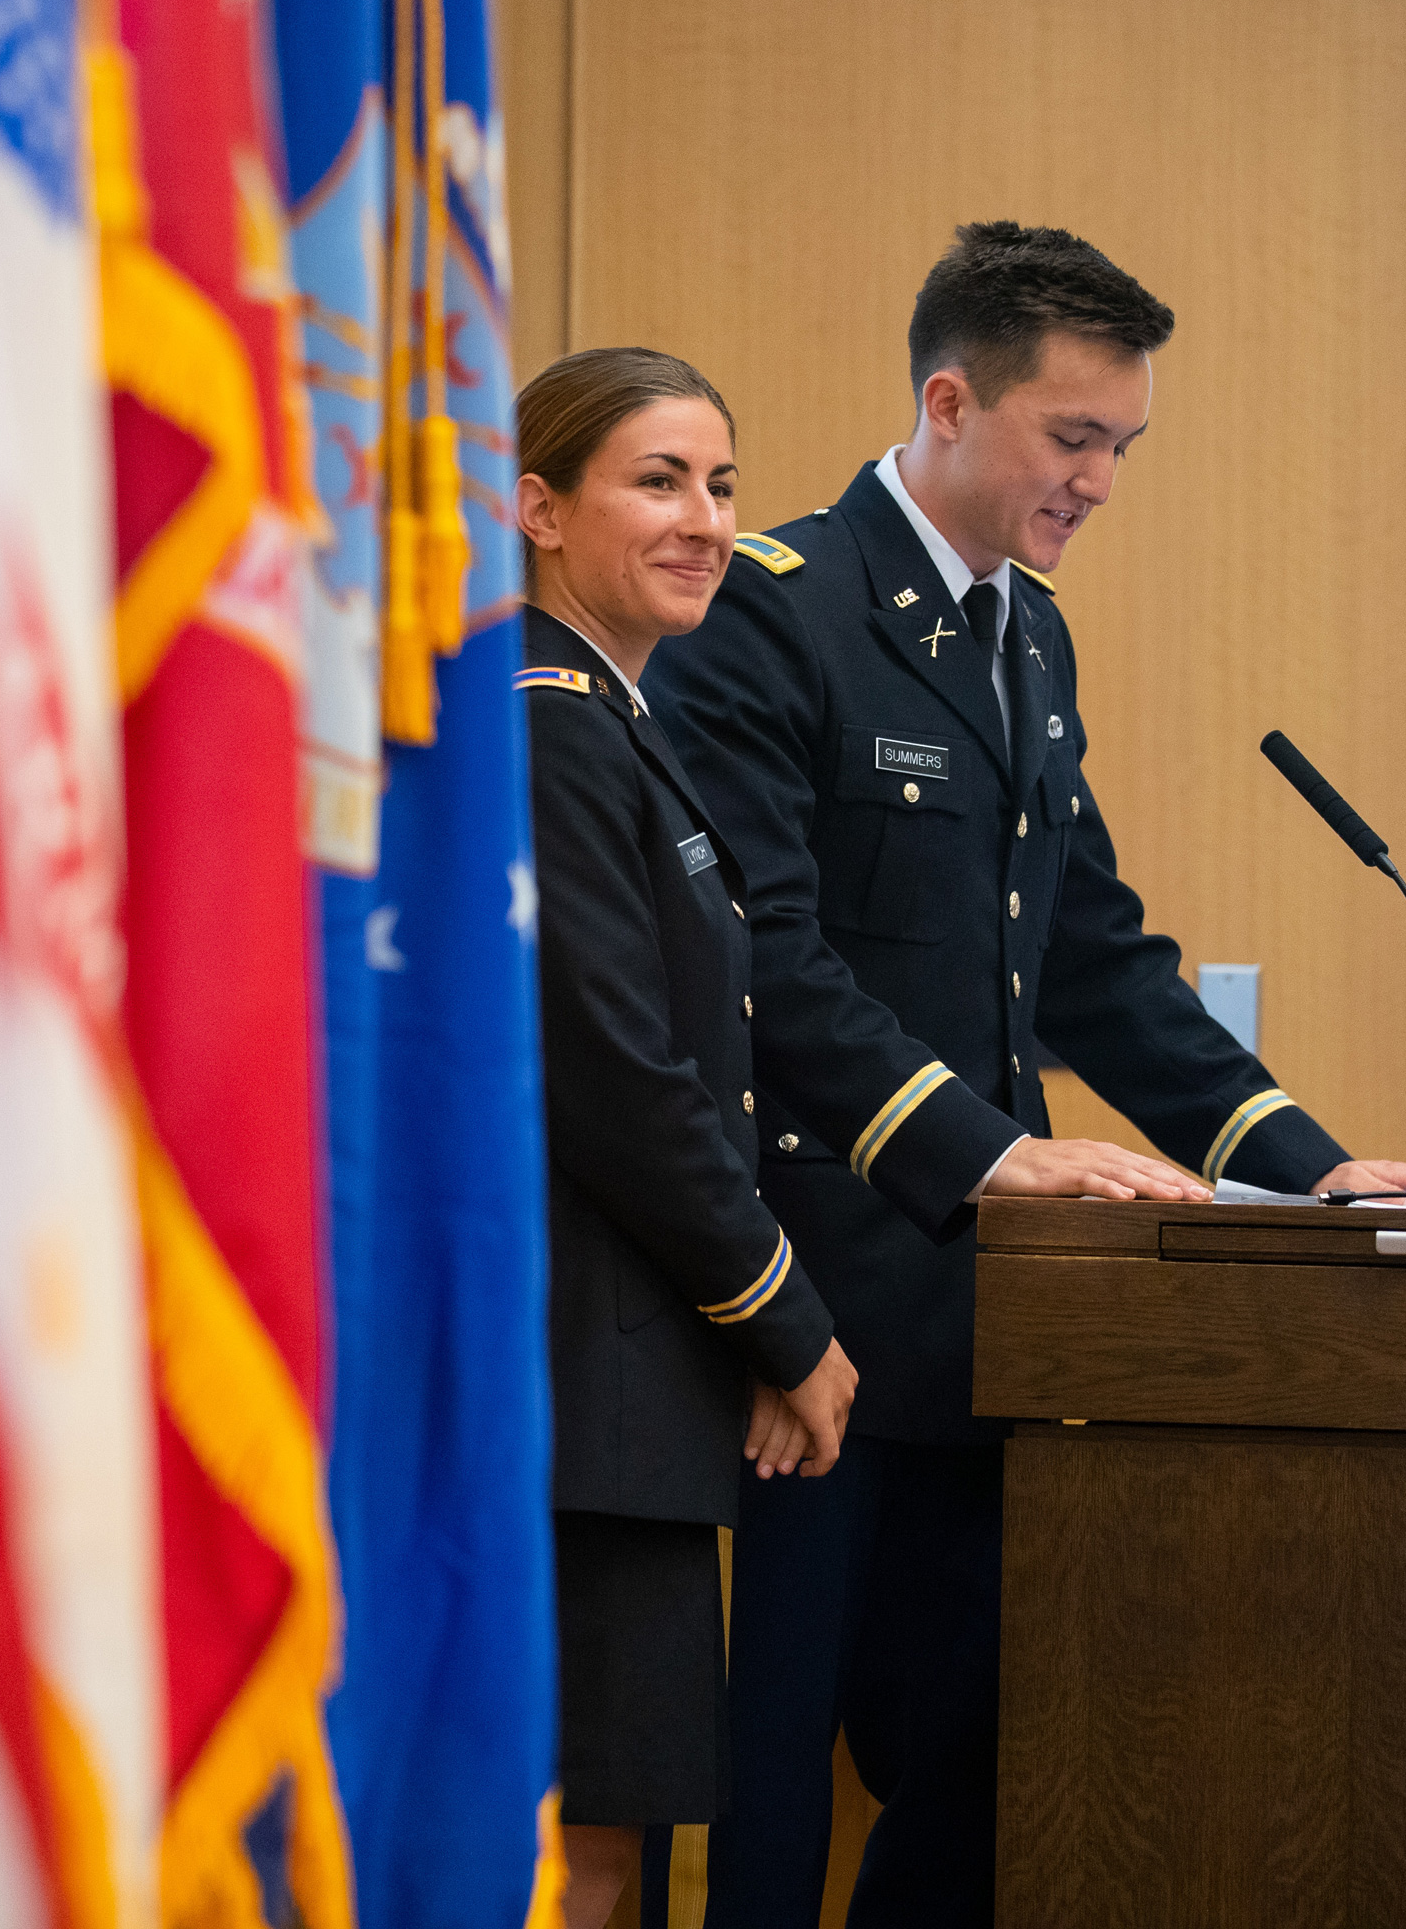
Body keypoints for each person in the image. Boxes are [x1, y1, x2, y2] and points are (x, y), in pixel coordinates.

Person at [640, 222, 1406, 1925]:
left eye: (1122, 448)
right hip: (815, 1310)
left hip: (997, 1320)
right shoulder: (776, 619)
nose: (1100, 480)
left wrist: (1306, 1165)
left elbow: (1090, 959)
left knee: (985, 1757)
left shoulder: (1027, 639)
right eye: (1074, 438)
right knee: (772, 1782)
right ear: (950, 401)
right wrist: (1002, 1161)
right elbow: (767, 961)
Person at [510, 346, 869, 1929]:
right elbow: (621, 1072)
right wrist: (784, 1321)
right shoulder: (551, 728)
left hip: (631, 1388)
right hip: (582, 1394)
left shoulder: (620, 724)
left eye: (721, 483)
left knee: (626, 1836)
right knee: (585, 1849)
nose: (707, 519)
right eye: (657, 480)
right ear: (535, 509)